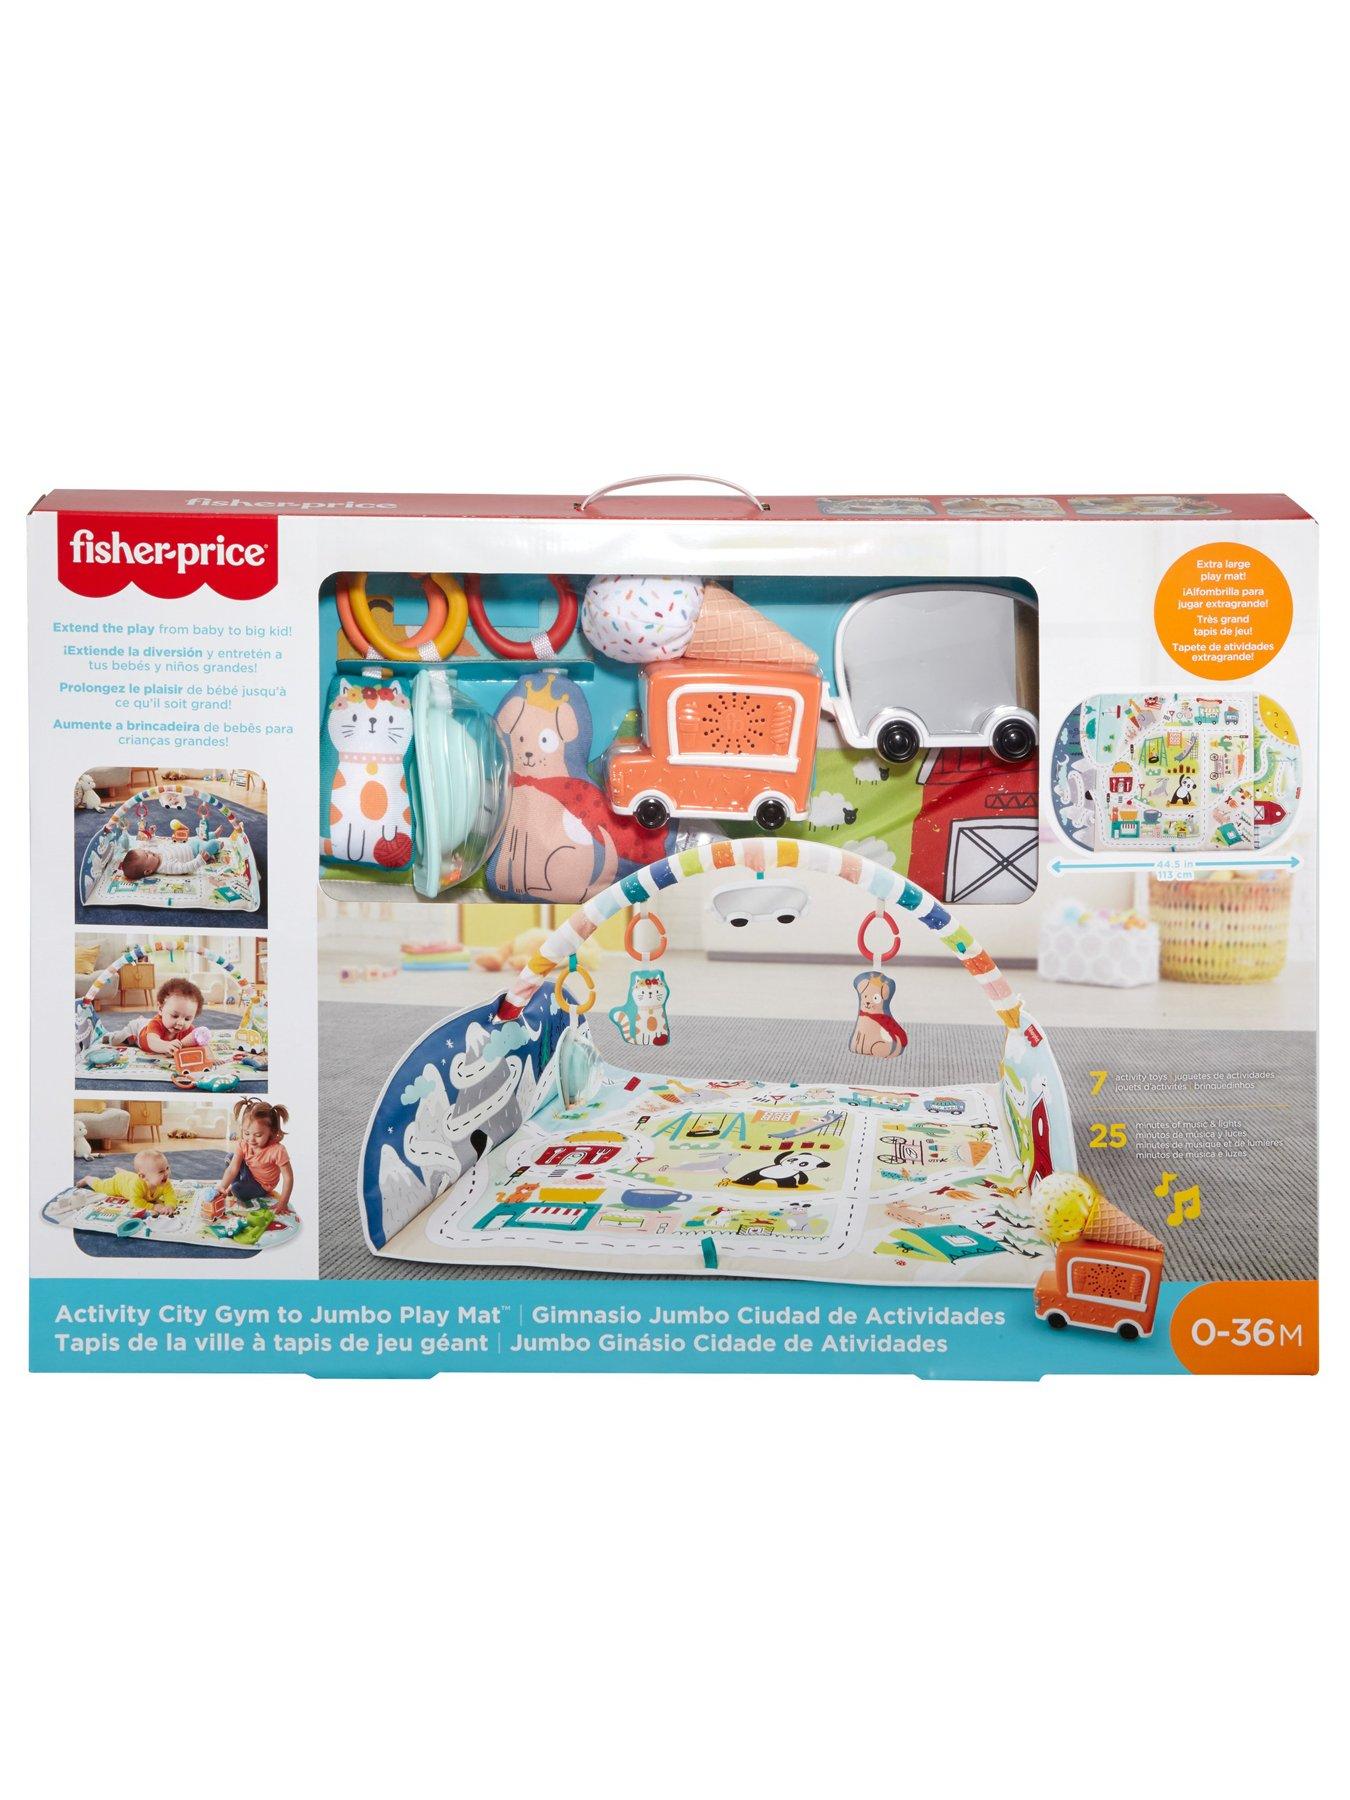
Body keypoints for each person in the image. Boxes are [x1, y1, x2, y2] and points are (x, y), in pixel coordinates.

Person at [210, 1102, 292, 1216]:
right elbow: (233, 1169)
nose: (251, 1139)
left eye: (258, 1135)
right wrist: (222, 1187)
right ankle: (236, 1186)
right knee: (230, 1157)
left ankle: (236, 1187)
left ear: (271, 1131)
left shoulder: (277, 1150)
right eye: (247, 1133)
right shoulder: (244, 1144)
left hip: (262, 1185)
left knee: (237, 1190)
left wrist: (283, 1202)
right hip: (250, 1173)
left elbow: (288, 1178)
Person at [77, 1148, 179, 1209]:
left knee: (128, 1175)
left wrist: (170, 1205)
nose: (167, 1173)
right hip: (119, 1183)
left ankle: (121, 1171)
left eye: (167, 1168)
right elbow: (136, 1202)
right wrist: (153, 1207)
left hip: (129, 1178)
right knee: (101, 1187)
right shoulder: (137, 1185)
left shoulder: (165, 1182)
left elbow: (170, 1195)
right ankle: (88, 1179)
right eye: (161, 1171)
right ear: (143, 1177)